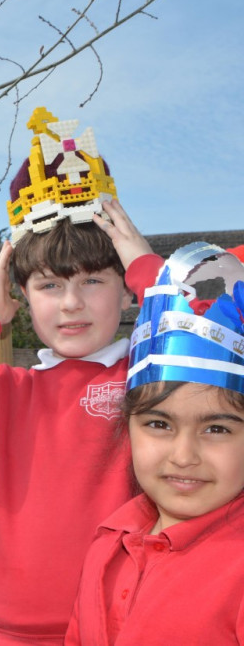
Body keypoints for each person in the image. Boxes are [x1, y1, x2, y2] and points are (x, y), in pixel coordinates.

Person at [0, 108, 162, 644]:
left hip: (127, 621)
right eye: (48, 285)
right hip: (18, 629)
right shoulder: (9, 387)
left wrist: (146, 267)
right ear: (20, 296)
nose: (72, 303)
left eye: (94, 280)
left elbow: (213, 330)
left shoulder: (151, 374)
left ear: (126, 291)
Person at [65, 243, 244, 644]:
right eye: (159, 424)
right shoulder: (108, 543)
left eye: (216, 429)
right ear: (127, 426)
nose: (183, 456)